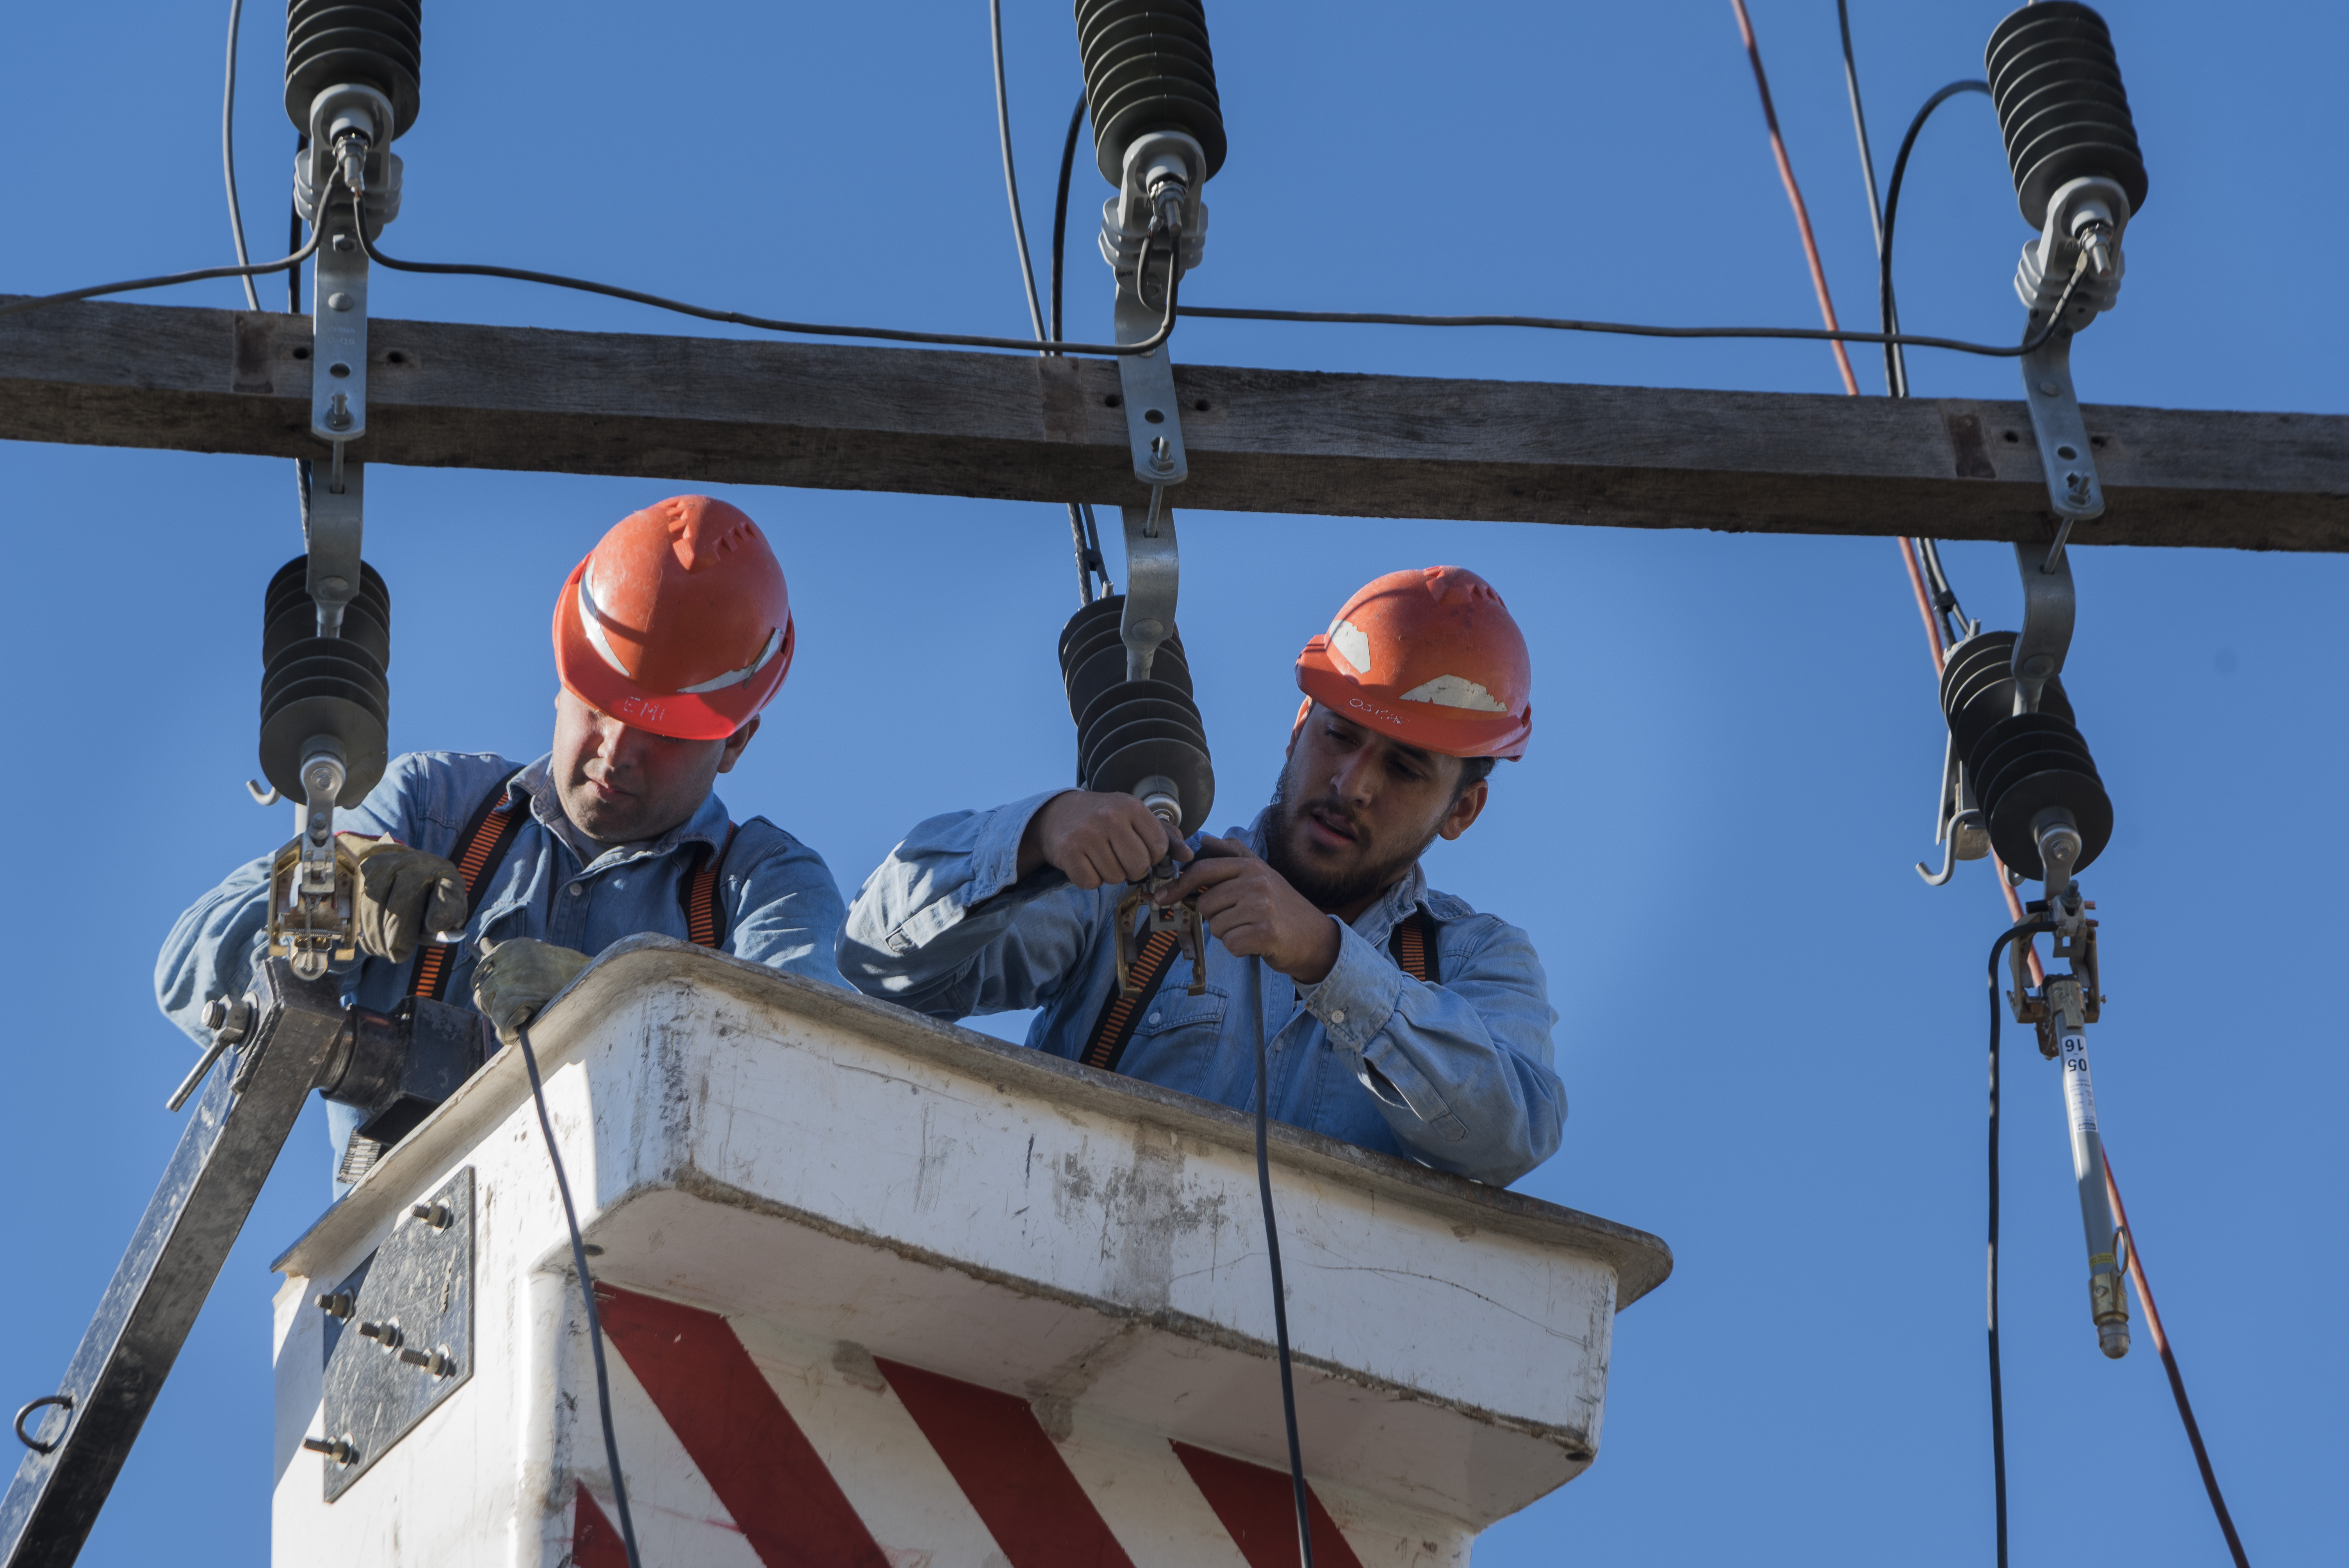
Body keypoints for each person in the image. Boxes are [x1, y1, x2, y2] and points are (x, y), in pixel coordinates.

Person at [157, 495, 847, 1183]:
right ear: (562, 681)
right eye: (600, 708)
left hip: (644, 1261)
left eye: (664, 734)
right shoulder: (436, 807)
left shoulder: (765, 886)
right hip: (401, 1264)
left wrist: (615, 1003)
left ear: (735, 743)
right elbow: (191, 974)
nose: (616, 752)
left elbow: (798, 1082)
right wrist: (335, 894)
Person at [839, 566, 1563, 1186]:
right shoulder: (1139, 882)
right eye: (1339, 735)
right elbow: (876, 962)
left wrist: (1327, 959)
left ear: (1462, 809)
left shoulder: (1474, 961)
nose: (1351, 784)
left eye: (1404, 768)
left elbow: (1511, 1135)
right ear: (1299, 722)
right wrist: (1037, 834)